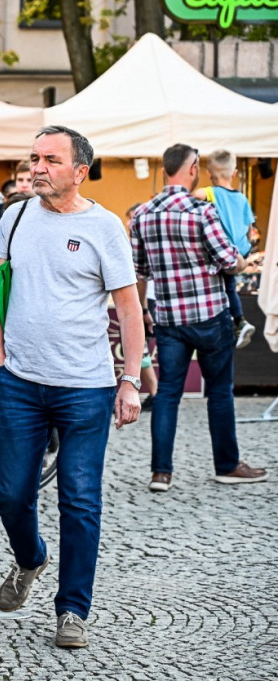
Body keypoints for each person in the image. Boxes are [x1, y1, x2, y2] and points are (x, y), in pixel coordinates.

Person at [0, 125, 143, 648]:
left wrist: (128, 380)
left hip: (86, 387)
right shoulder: (16, 216)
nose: (37, 166)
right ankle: (31, 559)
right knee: (10, 494)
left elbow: (127, 306)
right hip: (20, 381)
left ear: (78, 171)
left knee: (80, 499)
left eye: (50, 159)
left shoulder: (105, 228)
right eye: (34, 157)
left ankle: (72, 610)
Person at [130, 144, 267, 493]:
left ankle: (160, 473)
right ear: (192, 169)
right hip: (209, 314)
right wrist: (238, 260)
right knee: (219, 392)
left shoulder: (143, 214)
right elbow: (228, 261)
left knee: (167, 393)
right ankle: (227, 465)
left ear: (164, 169)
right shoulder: (201, 210)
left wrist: (145, 309)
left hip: (168, 317)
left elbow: (138, 271)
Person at [194, 149, 257, 348]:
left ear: (208, 174)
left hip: (223, 251)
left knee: (225, 288)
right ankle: (234, 321)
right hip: (242, 251)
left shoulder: (211, 192)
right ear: (234, 173)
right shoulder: (242, 198)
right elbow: (249, 230)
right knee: (229, 287)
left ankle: (239, 321)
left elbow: (195, 195)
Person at [126, 203, 159, 412]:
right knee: (142, 349)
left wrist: (143, 308)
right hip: (143, 301)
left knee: (142, 349)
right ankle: (153, 392)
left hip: (146, 300)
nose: (129, 222)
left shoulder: (140, 243)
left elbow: (140, 277)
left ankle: (154, 392)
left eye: (131, 218)